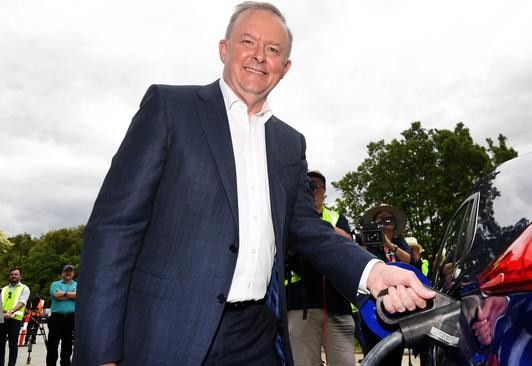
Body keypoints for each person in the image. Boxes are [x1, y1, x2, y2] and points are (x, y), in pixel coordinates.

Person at [73, 2, 434, 366]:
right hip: (166, 331)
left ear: (285, 67)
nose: (260, 56)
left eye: (273, 50)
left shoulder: (290, 144)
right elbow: (113, 230)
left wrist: (374, 272)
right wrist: (100, 352)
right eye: (248, 41)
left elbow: (309, 230)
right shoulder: (170, 108)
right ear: (224, 49)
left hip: (256, 336)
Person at [286, 170, 356, 366]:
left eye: (316, 185)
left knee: (344, 362)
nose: (312, 188)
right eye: (307, 184)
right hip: (301, 305)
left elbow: (349, 242)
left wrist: (317, 226)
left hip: (337, 304)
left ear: (324, 191)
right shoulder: (290, 218)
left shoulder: (335, 217)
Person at [359, 205, 413, 365]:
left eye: (388, 217)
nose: (385, 220)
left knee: (395, 351)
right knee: (373, 351)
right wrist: (364, 239)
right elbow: (358, 260)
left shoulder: (399, 241)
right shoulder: (368, 242)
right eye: (380, 218)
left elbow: (409, 260)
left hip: (398, 304)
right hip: (372, 306)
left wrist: (389, 244)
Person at [47, 264, 77, 366]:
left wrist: (63, 293)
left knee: (67, 347)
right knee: (52, 346)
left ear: (73, 273)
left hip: (71, 319)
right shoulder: (55, 284)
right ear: (62, 273)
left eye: (70, 271)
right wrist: (71, 294)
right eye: (66, 271)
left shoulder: (77, 284)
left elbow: (78, 296)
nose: (68, 273)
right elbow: (56, 296)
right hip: (56, 319)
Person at [0, 268, 30, 366]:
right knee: (0, 345)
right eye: (12, 274)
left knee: (13, 345)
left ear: (20, 276)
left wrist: (11, 312)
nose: (13, 276)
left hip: (15, 319)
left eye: (16, 274)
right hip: (2, 319)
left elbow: (22, 302)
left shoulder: (24, 288)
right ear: (9, 276)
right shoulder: (4, 289)